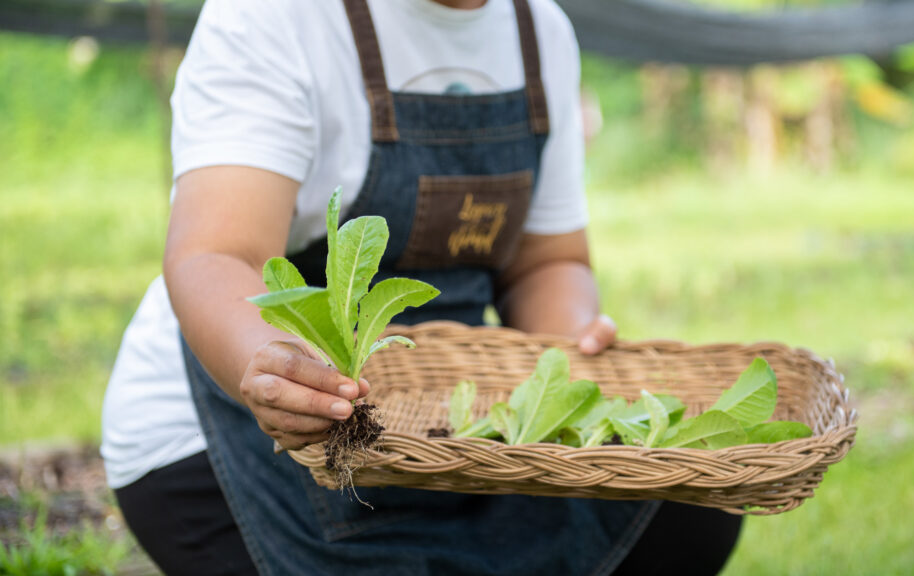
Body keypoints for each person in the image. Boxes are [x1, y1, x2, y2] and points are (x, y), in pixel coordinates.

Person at [100, 0, 743, 574]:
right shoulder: (274, 15)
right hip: (239, 433)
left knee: (687, 513)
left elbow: (547, 263)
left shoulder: (540, 28)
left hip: (444, 432)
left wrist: (568, 359)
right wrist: (275, 374)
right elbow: (216, 253)